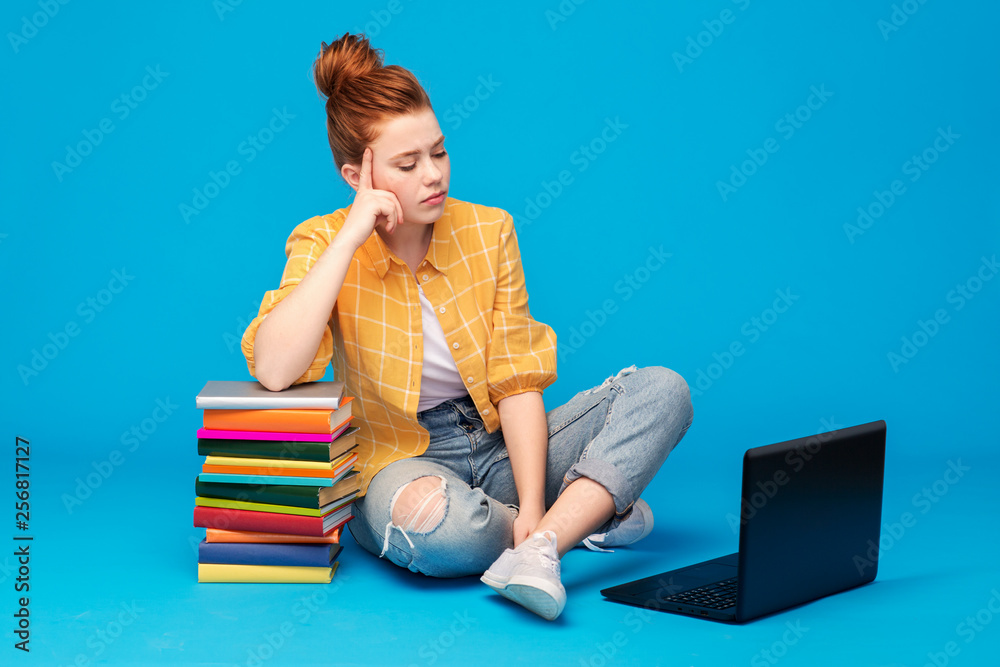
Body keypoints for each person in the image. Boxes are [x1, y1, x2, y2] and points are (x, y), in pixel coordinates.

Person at [240, 32, 693, 621]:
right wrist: (352, 235)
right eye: (407, 163)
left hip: (503, 446)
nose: (434, 175)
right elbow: (275, 370)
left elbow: (516, 380)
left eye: (439, 152)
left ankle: (544, 542)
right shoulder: (322, 241)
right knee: (438, 532)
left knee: (664, 391)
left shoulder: (489, 230)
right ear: (357, 176)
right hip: (398, 464)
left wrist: (531, 502)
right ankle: (590, 513)